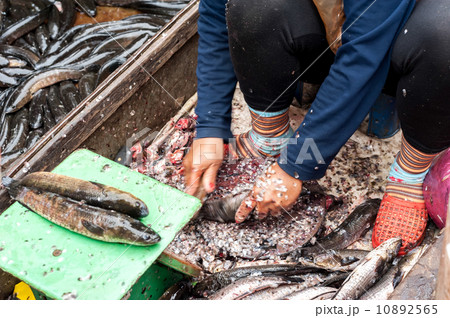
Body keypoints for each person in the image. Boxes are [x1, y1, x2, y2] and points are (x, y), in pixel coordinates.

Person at [183, 0, 450, 255]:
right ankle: (270, 135)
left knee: (444, 34)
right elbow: (216, 12)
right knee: (251, 5)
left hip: (407, 40)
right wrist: (210, 125)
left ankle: (410, 172)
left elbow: (364, 56)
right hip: (329, 32)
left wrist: (297, 164)